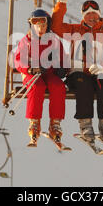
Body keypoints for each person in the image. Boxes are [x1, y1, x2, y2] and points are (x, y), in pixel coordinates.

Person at [51, 0, 103, 146]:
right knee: (84, 85)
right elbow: (56, 28)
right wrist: (61, 3)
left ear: (99, 15)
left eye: (94, 14)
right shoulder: (76, 30)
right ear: (83, 17)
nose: (91, 17)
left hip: (99, 71)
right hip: (78, 72)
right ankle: (85, 124)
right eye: (88, 14)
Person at [14, 9, 68, 146]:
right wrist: (29, 69)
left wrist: (62, 68)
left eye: (43, 26)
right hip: (32, 73)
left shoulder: (54, 40)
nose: (40, 29)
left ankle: (55, 123)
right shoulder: (26, 41)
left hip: (49, 72)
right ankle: (34, 122)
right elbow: (19, 60)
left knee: (58, 86)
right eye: (37, 26)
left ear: (47, 26)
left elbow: (62, 57)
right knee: (36, 87)